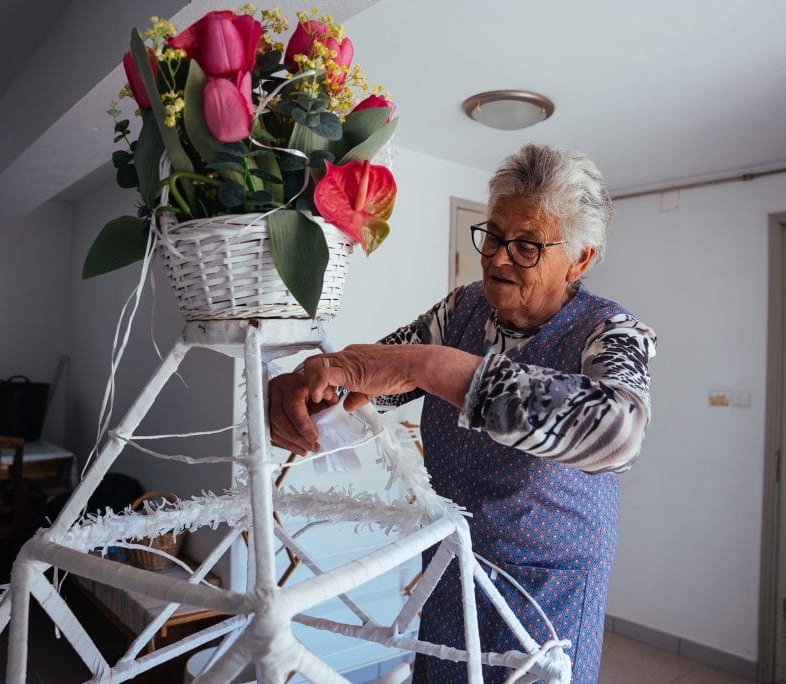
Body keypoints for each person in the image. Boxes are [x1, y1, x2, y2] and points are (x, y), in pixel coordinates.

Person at [268, 144, 657, 683]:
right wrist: (304, 389)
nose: (498, 257)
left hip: (549, 583)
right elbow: (371, 381)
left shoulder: (609, 332)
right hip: (452, 560)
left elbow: (619, 434)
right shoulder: (461, 310)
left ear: (580, 260)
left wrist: (433, 365)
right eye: (494, 235)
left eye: (526, 247)